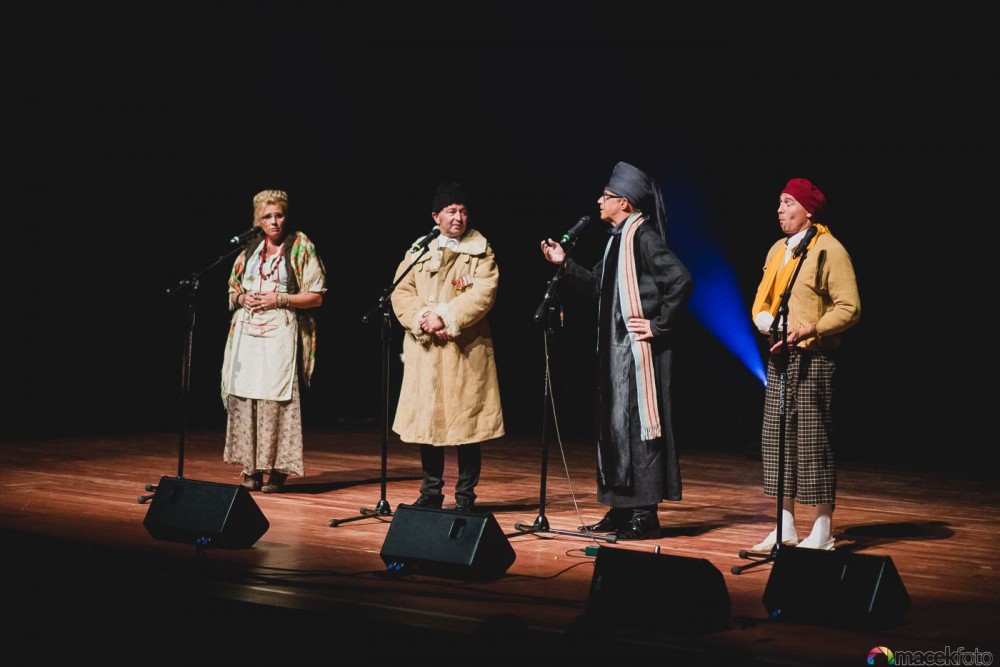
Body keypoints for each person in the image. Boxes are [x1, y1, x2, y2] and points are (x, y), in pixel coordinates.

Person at [540, 162, 693, 540]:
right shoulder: (616, 240)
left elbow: (681, 279)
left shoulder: (643, 237)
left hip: (639, 354)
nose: (599, 201)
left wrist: (658, 325)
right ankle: (620, 509)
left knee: (639, 432)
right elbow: (597, 286)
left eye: (606, 196)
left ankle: (644, 513)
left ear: (624, 202)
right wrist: (564, 264)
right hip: (614, 353)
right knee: (613, 429)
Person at [748, 177, 861, 552]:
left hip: (814, 356)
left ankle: (823, 531)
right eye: (779, 202)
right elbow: (765, 300)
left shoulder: (829, 249)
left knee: (813, 441)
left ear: (808, 210)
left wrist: (811, 328)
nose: (780, 210)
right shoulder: (778, 250)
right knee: (777, 440)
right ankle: (785, 527)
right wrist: (765, 321)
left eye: (788, 203)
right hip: (780, 355)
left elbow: (850, 308)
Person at [390, 182, 505, 511]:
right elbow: (401, 291)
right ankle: (431, 492)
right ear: (435, 216)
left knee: (468, 426)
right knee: (428, 425)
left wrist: (445, 316)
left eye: (463, 211)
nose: (458, 217)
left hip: (464, 352)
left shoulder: (481, 250)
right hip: (426, 352)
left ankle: (465, 496)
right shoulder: (419, 249)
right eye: (451, 211)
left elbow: (483, 293)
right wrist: (422, 318)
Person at [221, 189, 327, 493]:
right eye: (267, 217)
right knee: (246, 397)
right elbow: (232, 289)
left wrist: (279, 298)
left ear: (286, 216)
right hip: (247, 331)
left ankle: (278, 469)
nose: (274, 222)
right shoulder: (250, 248)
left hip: (280, 329)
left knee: (276, 399)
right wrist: (242, 298)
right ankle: (250, 467)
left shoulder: (300, 245)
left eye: (278, 215)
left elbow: (316, 296)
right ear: (258, 220)